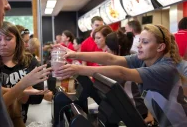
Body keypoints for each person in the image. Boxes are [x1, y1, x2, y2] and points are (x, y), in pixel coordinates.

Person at [55, 24, 187, 126]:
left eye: (145, 42)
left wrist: (77, 69)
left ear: (160, 47)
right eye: (139, 41)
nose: (139, 46)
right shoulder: (144, 60)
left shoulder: (164, 68)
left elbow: (122, 73)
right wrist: (74, 54)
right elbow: (110, 59)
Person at [0, 21, 49, 126]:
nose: (3, 43)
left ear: (17, 40)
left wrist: (7, 92)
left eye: (8, 39)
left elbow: (38, 96)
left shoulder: (30, 61)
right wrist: (23, 88)